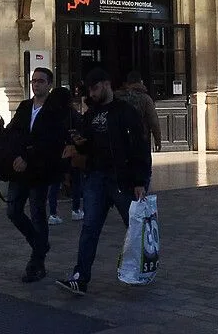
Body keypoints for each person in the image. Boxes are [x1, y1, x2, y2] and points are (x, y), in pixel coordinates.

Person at [55, 67, 151, 296]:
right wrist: (79, 144)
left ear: (107, 84)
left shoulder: (125, 111)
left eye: (95, 88)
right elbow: (88, 144)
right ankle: (80, 277)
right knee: (89, 227)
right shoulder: (91, 114)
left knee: (134, 226)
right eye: (90, 90)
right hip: (96, 177)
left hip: (121, 179)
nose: (92, 93)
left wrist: (139, 180)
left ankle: (143, 269)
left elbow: (139, 146)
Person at [5, 69, 71, 284]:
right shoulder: (25, 106)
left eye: (40, 81)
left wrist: (27, 157)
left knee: (37, 213)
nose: (36, 85)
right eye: (33, 81)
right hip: (19, 169)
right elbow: (13, 133)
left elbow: (51, 142)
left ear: (50, 84)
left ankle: (37, 262)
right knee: (13, 210)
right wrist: (16, 155)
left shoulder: (55, 110)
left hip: (40, 170)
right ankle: (40, 244)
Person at [117, 71, 163, 156]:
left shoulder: (119, 98)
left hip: (121, 139)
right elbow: (154, 122)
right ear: (141, 82)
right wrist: (158, 140)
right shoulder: (146, 98)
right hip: (141, 138)